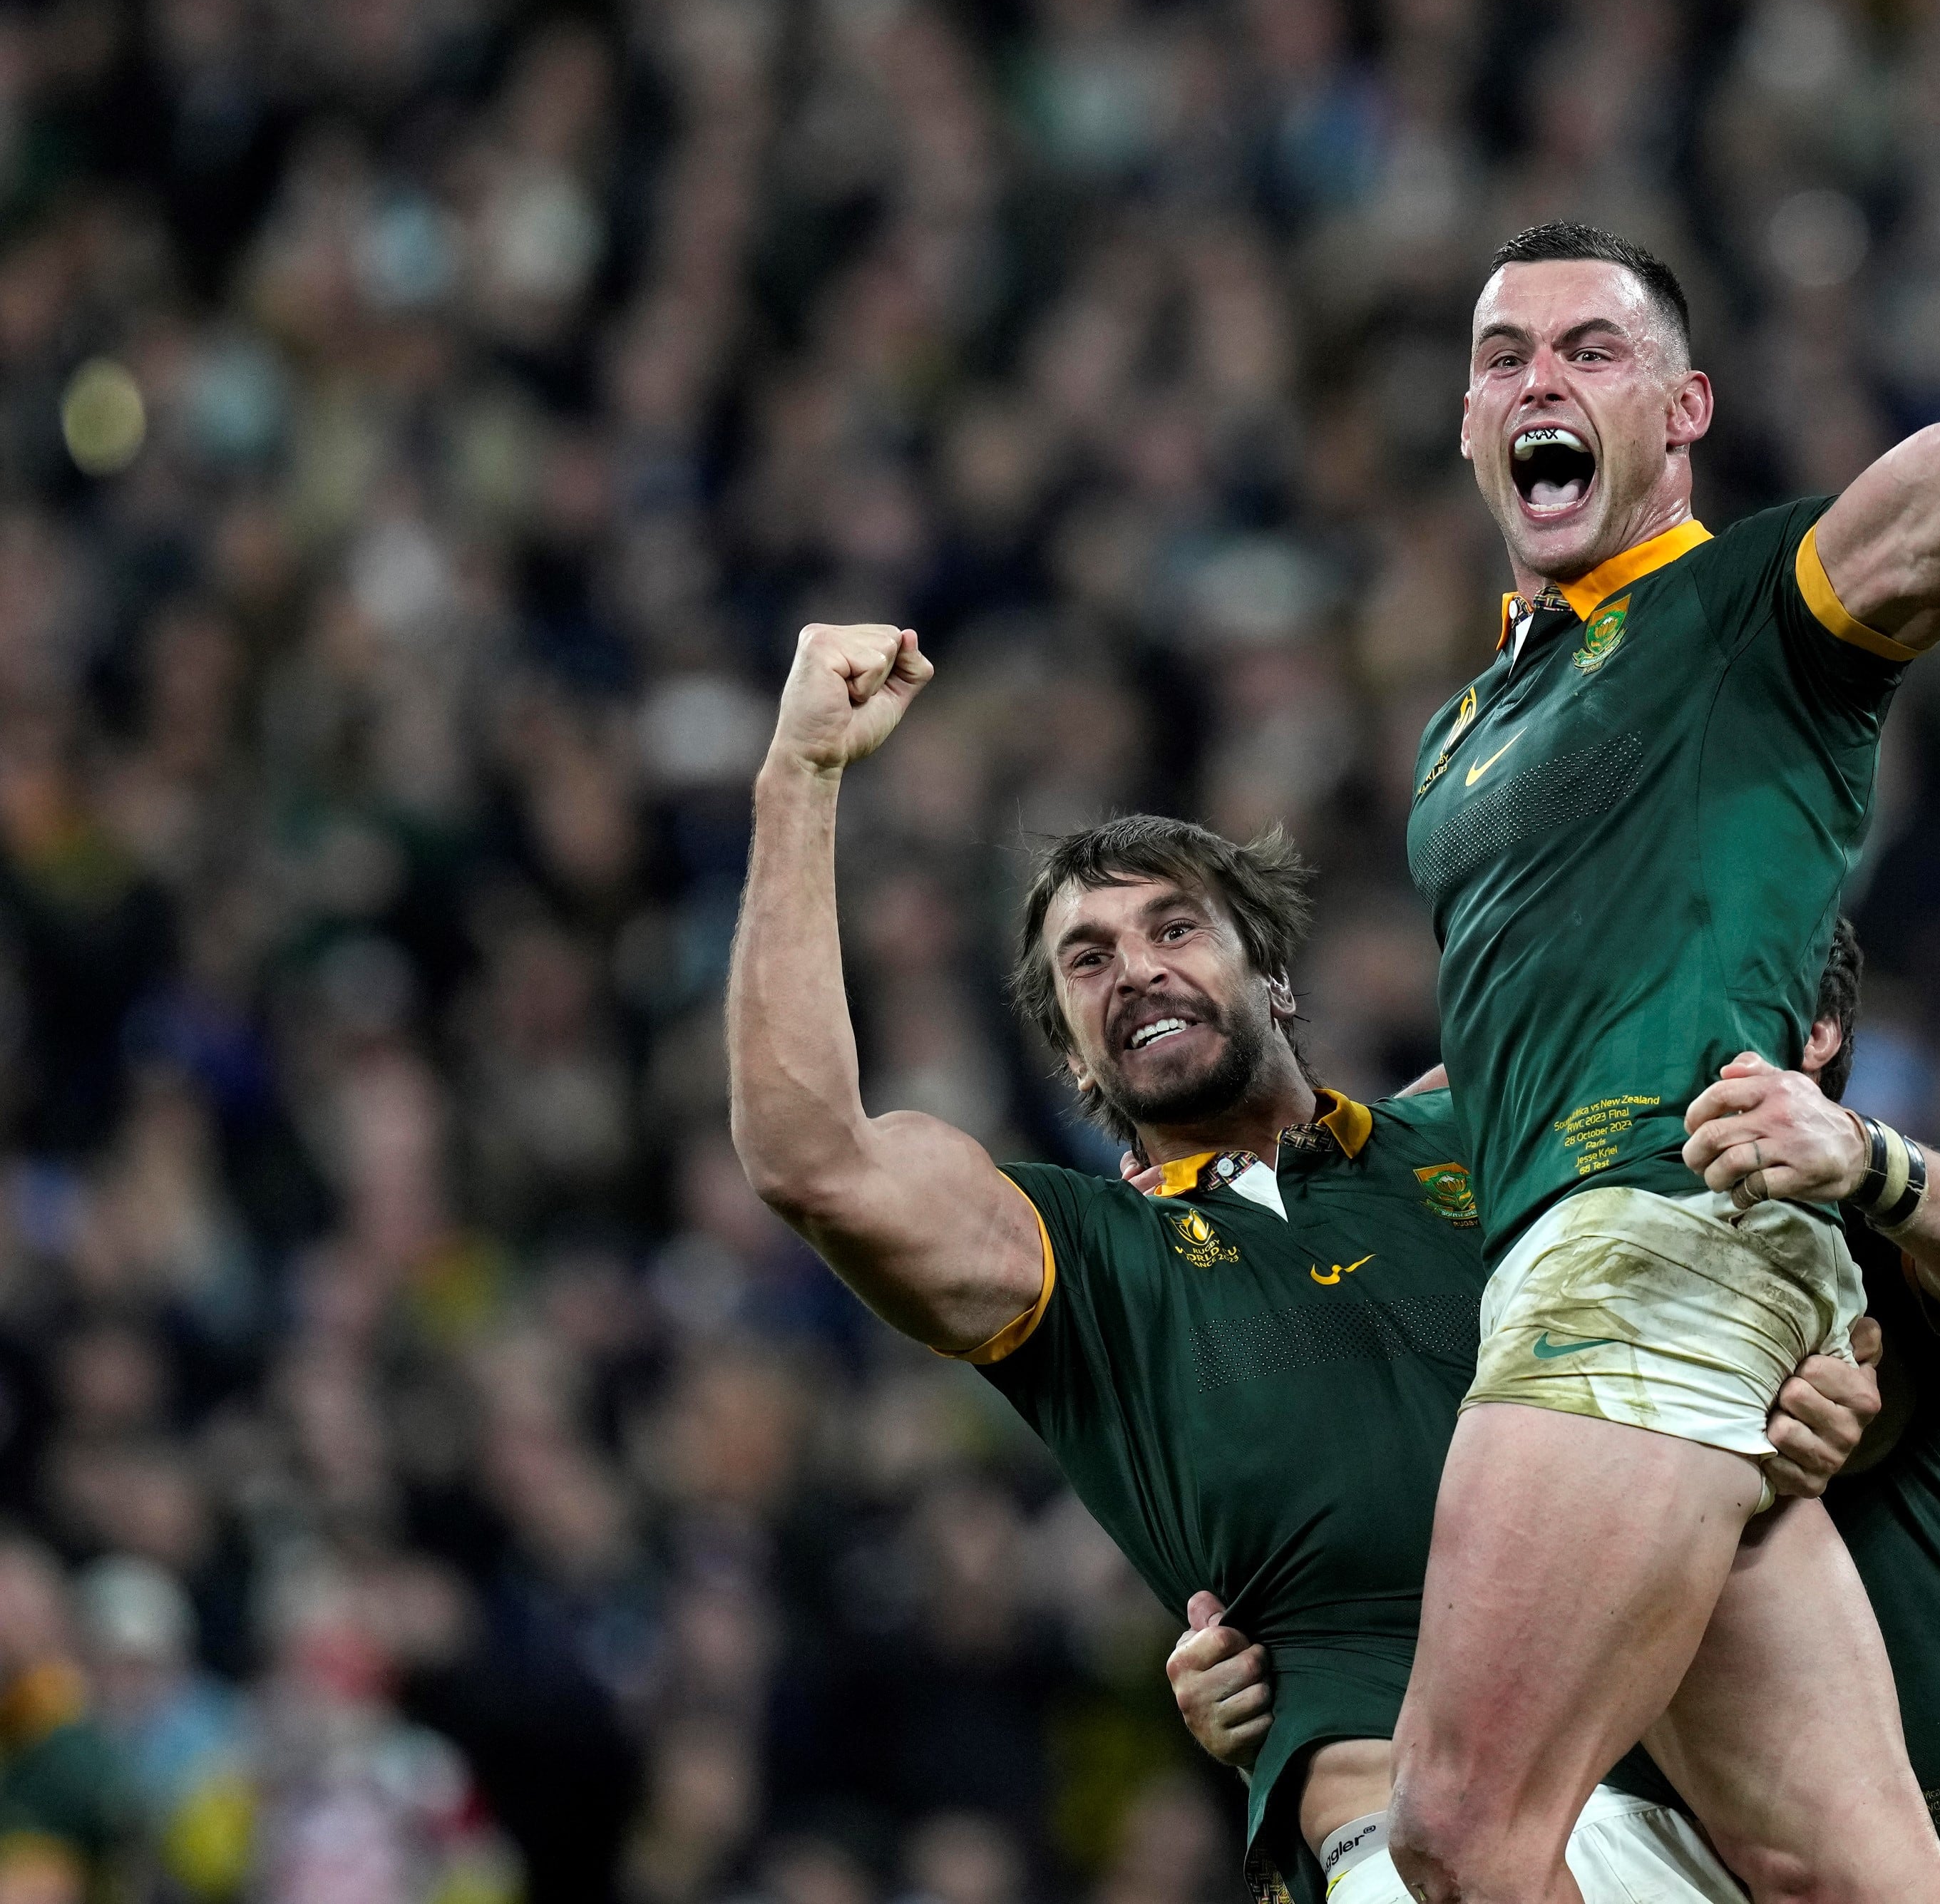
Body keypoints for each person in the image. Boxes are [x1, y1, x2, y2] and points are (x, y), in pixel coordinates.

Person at [1393, 5, 1940, 1904]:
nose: (1539, 374)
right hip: (1587, 1246)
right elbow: (1499, 1051)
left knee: (1454, 1830)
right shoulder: (1467, 727)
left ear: (1680, 414)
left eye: (1592, 345)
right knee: (1839, 1868)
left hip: (1648, 1235)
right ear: (1466, 424)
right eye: (1502, 351)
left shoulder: (1757, 610)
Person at [719, 623, 1872, 1903]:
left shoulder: (1488, 1129)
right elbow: (811, 1157)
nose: (1136, 969)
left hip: (1715, 1818)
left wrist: (1808, 1381)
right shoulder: (1075, 1266)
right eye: (1086, 962)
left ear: (1274, 975)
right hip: (1407, 1848)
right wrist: (801, 772)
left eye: (1175, 928)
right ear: (1070, 1057)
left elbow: (1757, 1176)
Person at [1176, 920, 1940, 1904]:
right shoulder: (1551, 1310)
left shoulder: (1878, 1236)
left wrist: (1871, 1157)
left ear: (1810, 1030)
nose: (1615, 1051)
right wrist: (1281, 1689)